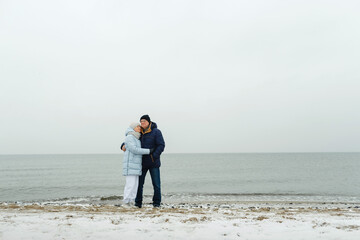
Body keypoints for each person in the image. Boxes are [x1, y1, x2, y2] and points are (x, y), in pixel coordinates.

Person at [122, 115, 165, 208]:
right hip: (142, 163)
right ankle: (138, 203)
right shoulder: (139, 132)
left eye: (144, 121)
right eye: (141, 121)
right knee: (139, 185)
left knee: (156, 184)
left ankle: (156, 203)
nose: (142, 123)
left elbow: (161, 145)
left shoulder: (156, 132)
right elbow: (131, 139)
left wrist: (154, 156)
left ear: (149, 122)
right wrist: (122, 145)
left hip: (154, 163)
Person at [122, 122, 153, 206]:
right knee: (130, 185)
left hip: (136, 165)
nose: (140, 128)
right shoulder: (130, 137)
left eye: (140, 126)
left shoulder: (136, 137)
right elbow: (134, 149)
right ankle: (126, 201)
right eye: (138, 126)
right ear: (133, 128)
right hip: (131, 165)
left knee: (135, 185)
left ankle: (131, 201)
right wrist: (148, 151)